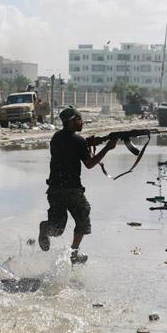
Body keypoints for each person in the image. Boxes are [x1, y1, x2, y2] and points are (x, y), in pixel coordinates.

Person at [38, 106, 118, 264]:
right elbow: (89, 164)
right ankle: (74, 253)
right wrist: (107, 148)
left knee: (57, 228)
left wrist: (88, 143)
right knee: (83, 219)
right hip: (72, 189)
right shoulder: (78, 141)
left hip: (55, 189)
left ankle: (45, 228)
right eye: (79, 119)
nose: (82, 122)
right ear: (72, 122)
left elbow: (69, 146)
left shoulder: (56, 138)